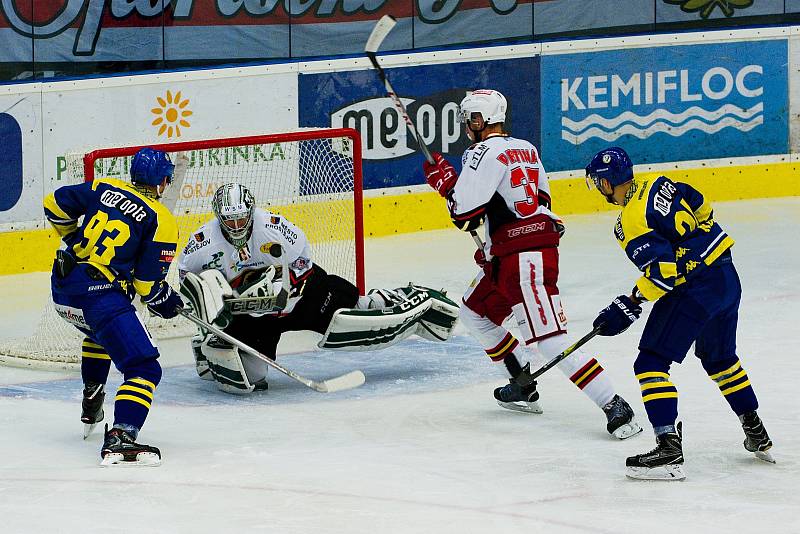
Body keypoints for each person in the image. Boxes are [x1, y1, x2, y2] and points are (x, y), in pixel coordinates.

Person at [422, 89, 640, 439]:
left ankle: (614, 405)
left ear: (480, 121)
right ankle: (522, 381)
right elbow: (533, 203)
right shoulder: (527, 148)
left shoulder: (480, 152)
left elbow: (463, 215)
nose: (467, 125)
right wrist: (494, 244)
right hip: (516, 253)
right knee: (474, 311)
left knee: (551, 341)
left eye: (470, 119)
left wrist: (447, 187)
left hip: (525, 261)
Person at [585, 146, 774, 480]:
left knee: (650, 362)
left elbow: (663, 275)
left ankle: (668, 449)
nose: (599, 190)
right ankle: (755, 430)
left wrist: (631, 300)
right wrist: (696, 244)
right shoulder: (659, 183)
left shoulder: (630, 220)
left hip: (696, 290)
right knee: (720, 359)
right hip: (727, 277)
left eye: (599, 182)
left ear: (609, 182)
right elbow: (701, 203)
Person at [176, 183, 459, 395]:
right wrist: (211, 317)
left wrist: (288, 286)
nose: (236, 225)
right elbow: (188, 280)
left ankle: (399, 300)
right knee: (247, 379)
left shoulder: (273, 227)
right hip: (251, 318)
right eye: (230, 220)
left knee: (354, 323)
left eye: (241, 218)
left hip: (299, 301)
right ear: (218, 217)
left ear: (250, 212)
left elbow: (301, 259)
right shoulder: (202, 244)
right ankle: (205, 345)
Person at [43, 147, 184, 467]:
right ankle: (121, 436)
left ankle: (92, 396)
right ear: (162, 182)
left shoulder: (104, 186)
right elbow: (148, 288)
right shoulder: (161, 220)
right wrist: (167, 301)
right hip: (99, 299)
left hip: (63, 289)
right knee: (145, 368)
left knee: (99, 335)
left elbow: (53, 204)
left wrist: (74, 238)